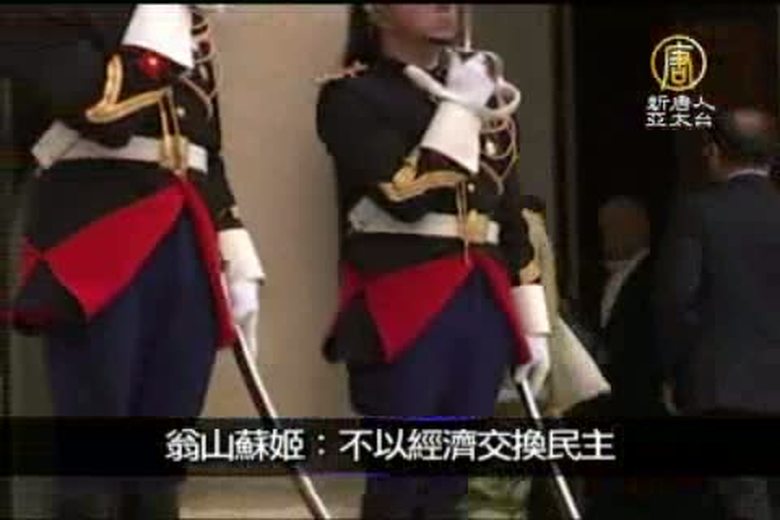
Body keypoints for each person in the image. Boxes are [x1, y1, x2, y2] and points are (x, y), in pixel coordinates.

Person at [2, 5, 264, 519]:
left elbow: (201, 145)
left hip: (184, 232)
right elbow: (106, 113)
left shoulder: (180, 19)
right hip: (96, 236)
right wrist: (161, 17)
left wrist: (231, 237)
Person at [316, 5, 550, 518]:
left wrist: (531, 319)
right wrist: (459, 109)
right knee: (400, 486)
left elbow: (508, 213)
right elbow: (405, 196)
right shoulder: (353, 95)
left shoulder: (482, 94)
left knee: (451, 485)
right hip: (404, 302)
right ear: (376, 11)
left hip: (481, 298)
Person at [655, 107, 780, 520]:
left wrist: (677, 372)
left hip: (726, 388)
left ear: (713, 152)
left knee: (743, 504)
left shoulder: (698, 212)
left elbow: (678, 300)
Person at [598, 196, 665, 418]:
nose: (609, 234)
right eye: (605, 228)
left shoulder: (655, 275)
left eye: (616, 225)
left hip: (643, 394)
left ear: (639, 227)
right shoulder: (600, 278)